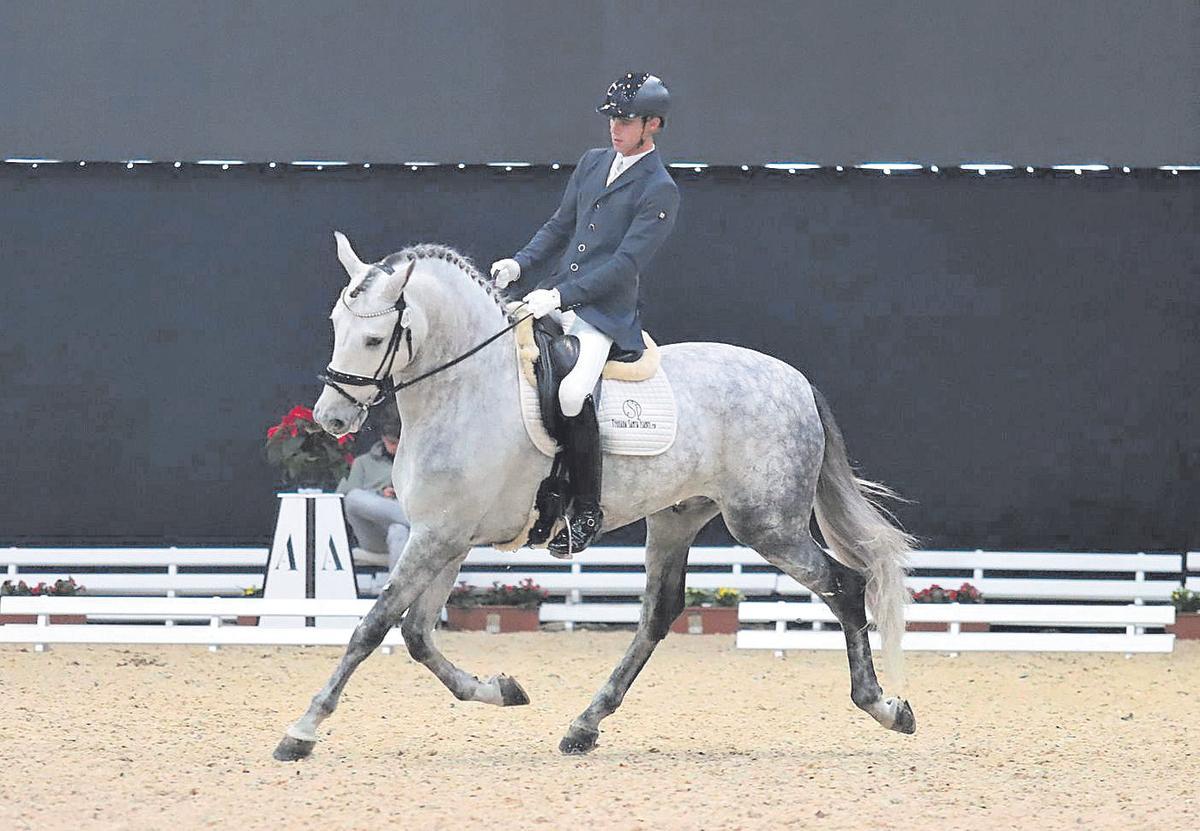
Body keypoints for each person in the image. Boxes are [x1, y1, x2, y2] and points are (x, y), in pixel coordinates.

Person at [491, 72, 679, 555]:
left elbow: (624, 265)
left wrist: (560, 297)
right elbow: (559, 226)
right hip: (553, 294)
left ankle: (588, 509)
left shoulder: (660, 189)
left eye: (627, 120)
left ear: (652, 124)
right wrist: (520, 262)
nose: (616, 127)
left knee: (574, 393)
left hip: (603, 313)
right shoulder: (593, 164)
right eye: (613, 118)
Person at [336, 414, 409, 569]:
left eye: (400, 443)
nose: (396, 448)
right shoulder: (363, 462)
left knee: (399, 530)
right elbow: (344, 497)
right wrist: (380, 494)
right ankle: (422, 523)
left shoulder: (416, 462)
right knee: (353, 497)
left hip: (404, 534)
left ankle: (395, 591)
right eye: (392, 443)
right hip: (373, 533)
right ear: (383, 438)